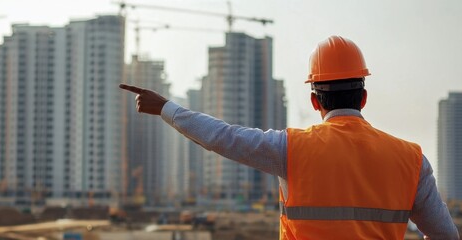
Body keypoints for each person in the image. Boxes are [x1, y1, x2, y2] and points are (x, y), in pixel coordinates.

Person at [119, 35, 459, 239]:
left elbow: (222, 137)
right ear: (364, 96)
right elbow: (445, 235)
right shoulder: (412, 161)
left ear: (314, 100)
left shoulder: (291, 149)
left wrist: (167, 108)